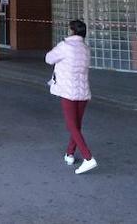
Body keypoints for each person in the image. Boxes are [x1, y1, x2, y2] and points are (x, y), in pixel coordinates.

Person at [45, 19, 97, 175]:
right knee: (76, 125)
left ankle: (88, 158)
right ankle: (70, 154)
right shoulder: (86, 48)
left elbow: (48, 58)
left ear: (72, 31)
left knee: (71, 125)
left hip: (68, 90)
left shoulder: (65, 46)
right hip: (83, 91)